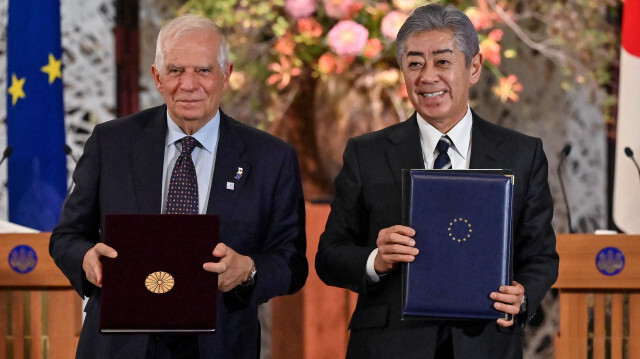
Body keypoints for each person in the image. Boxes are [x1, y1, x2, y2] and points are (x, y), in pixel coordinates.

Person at [50, 14, 307, 359]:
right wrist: (86, 258)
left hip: (219, 344)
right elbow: (66, 237)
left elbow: (292, 263)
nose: (188, 84)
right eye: (175, 70)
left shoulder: (271, 157)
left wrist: (248, 270)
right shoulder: (110, 143)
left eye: (203, 70)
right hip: (119, 345)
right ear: (157, 77)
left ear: (226, 75)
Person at [315, 4, 558, 359]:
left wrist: (522, 295)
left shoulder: (521, 154)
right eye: (414, 63)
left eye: (442, 62)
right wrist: (375, 260)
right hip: (389, 346)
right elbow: (329, 256)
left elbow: (541, 256)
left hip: (485, 343)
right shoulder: (366, 153)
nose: (427, 76)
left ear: (473, 67)